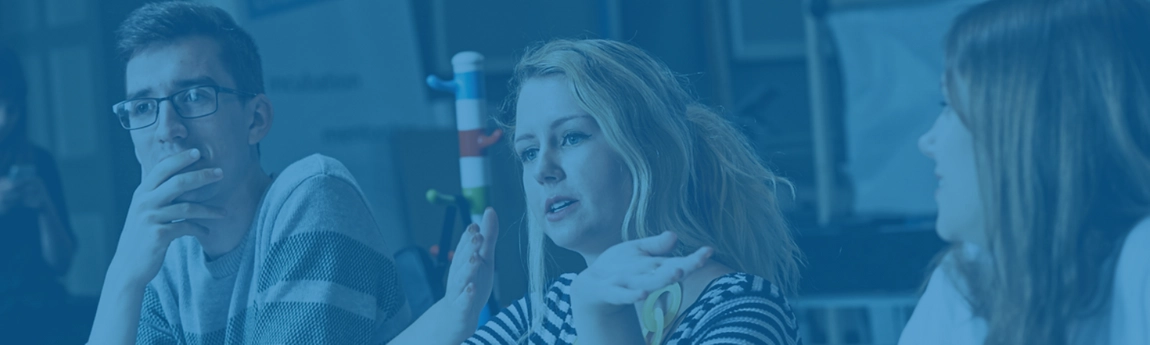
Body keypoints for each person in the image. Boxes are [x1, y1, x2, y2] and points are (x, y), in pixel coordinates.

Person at [392, 39, 804, 345]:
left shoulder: (742, 309)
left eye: (571, 138)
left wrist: (600, 316)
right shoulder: (547, 311)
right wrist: (451, 315)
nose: (543, 170)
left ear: (650, 148)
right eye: (529, 152)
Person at [87, 2, 409, 344]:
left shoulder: (312, 196)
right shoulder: (160, 256)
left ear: (255, 120)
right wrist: (123, 277)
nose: (167, 128)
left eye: (194, 96)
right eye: (142, 107)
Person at [902, 0, 1150, 344]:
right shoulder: (963, 280)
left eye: (949, 107)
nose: (926, 142)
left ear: (1027, 125)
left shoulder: (1141, 261)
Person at [0, 44, 78, 344]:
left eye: (12, 108)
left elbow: (61, 264)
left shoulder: (39, 161)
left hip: (41, 311)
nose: (5, 120)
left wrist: (45, 205)